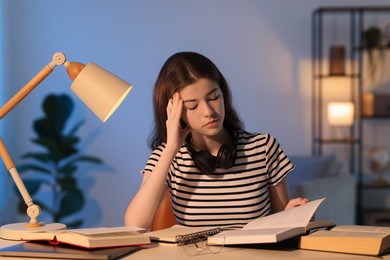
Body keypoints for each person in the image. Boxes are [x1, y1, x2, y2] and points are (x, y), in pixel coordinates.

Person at [124, 51, 308, 230]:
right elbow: (135, 224)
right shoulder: (168, 156)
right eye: (193, 105)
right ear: (174, 111)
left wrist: (293, 216)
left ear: (223, 94)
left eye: (213, 97)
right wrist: (171, 147)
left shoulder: (264, 148)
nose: (208, 112)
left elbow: (280, 222)